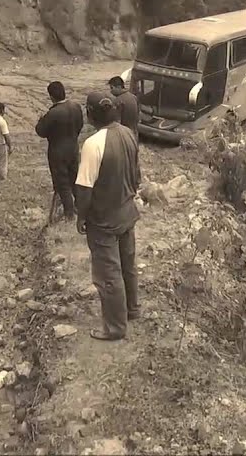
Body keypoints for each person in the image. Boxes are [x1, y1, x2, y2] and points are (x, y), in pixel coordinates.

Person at [75, 92, 142, 341]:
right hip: (127, 211)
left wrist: (81, 216)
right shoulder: (128, 133)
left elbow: (84, 188)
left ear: (91, 113)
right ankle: (132, 310)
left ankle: (115, 327)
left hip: (104, 219)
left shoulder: (93, 144)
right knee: (128, 265)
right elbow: (136, 174)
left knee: (108, 273)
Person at [35, 81, 83, 221]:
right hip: (73, 148)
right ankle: (80, 208)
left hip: (57, 152)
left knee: (62, 184)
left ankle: (69, 214)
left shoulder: (52, 113)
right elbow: (80, 125)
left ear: (51, 97)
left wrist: (40, 120)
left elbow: (40, 131)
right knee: (75, 179)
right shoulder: (76, 107)